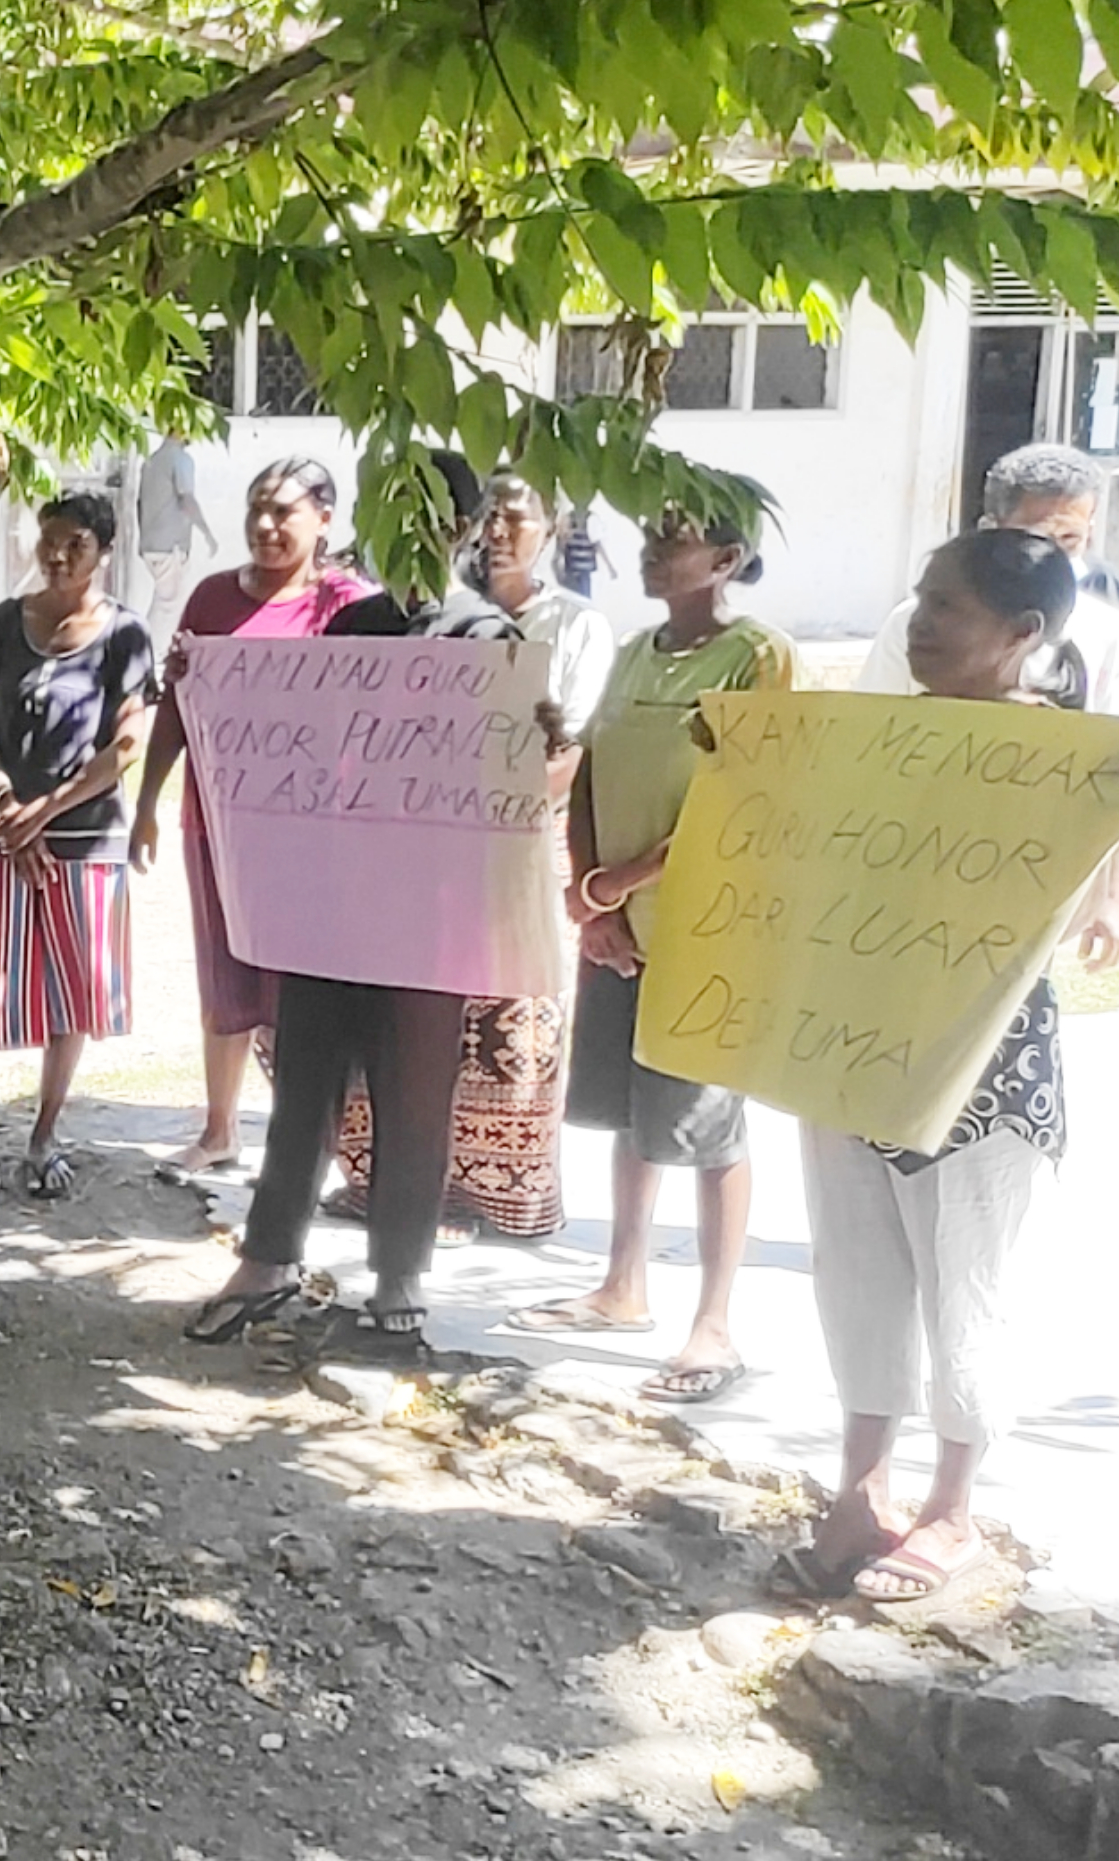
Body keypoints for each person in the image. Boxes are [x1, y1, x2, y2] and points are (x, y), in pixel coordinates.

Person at [779, 529, 1119, 1602]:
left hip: (981, 1072)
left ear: (1021, 633)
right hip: (849, 1048)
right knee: (855, 1273)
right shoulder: (870, 740)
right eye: (917, 599)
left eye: (943, 606)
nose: (917, 622)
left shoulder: (1075, 759)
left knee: (967, 1288)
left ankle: (951, 1510)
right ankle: (859, 1492)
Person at [184, 525, 539, 1345]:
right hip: (335, 899)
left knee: (415, 1094)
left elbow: (516, 763)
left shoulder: (486, 637)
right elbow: (295, 730)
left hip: (429, 909)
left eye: (418, 511)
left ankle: (399, 1276)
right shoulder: (351, 626)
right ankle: (267, 1260)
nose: (400, 531)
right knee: (304, 1082)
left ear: (460, 529)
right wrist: (209, 687)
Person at [502, 511, 796, 1403]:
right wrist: (592, 890)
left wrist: (622, 881)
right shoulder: (633, 652)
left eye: (679, 541)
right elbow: (588, 769)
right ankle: (621, 1283)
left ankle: (713, 1324)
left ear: (728, 560)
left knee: (707, 1123)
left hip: (706, 923)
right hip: (616, 925)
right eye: (653, 536)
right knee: (632, 1109)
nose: (654, 551)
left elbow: (748, 790)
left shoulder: (758, 656)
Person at [322, 473, 612, 1240]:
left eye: (519, 520)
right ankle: (378, 1179)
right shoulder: (374, 623)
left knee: (488, 1034)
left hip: (499, 850)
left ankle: (472, 1200)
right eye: (496, 521)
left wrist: (487, 809)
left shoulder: (545, 630)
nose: (501, 535)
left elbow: (563, 752)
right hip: (395, 858)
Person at [127, 458, 375, 1177]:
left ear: (324, 518)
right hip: (219, 826)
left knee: (307, 986)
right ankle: (217, 1129)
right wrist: (146, 802)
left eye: (283, 512)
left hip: (314, 835)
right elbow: (177, 702)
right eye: (255, 510)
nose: (265, 526)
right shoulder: (208, 598)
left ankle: (311, 1144)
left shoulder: (350, 605)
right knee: (224, 976)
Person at [860, 445, 1119, 970]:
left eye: (1072, 541)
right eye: (1038, 540)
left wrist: (1114, 898)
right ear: (991, 528)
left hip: (1014, 930)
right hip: (901, 906)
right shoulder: (916, 625)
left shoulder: (1114, 639)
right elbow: (858, 742)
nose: (1057, 560)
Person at [0, 488, 156, 1197]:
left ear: (103, 552)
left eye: (76, 543)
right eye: (49, 539)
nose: (59, 553)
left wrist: (48, 809)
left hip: (84, 838)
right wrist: (9, 804)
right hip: (0, 832)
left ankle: (42, 1136)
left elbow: (125, 743)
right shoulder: (3, 624)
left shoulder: (126, 634)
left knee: (74, 991)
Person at [130, 433, 216, 620]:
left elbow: (139, 504)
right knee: (168, 606)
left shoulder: (150, 461)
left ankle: (151, 644)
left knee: (164, 602)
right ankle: (151, 647)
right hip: (170, 545)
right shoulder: (180, 459)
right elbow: (186, 499)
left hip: (151, 545)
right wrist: (207, 533)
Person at [556, 504, 612, 598]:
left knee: (582, 600)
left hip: (583, 569)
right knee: (575, 599)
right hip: (572, 568)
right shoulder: (569, 518)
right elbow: (562, 544)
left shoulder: (591, 520)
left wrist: (610, 567)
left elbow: (597, 545)